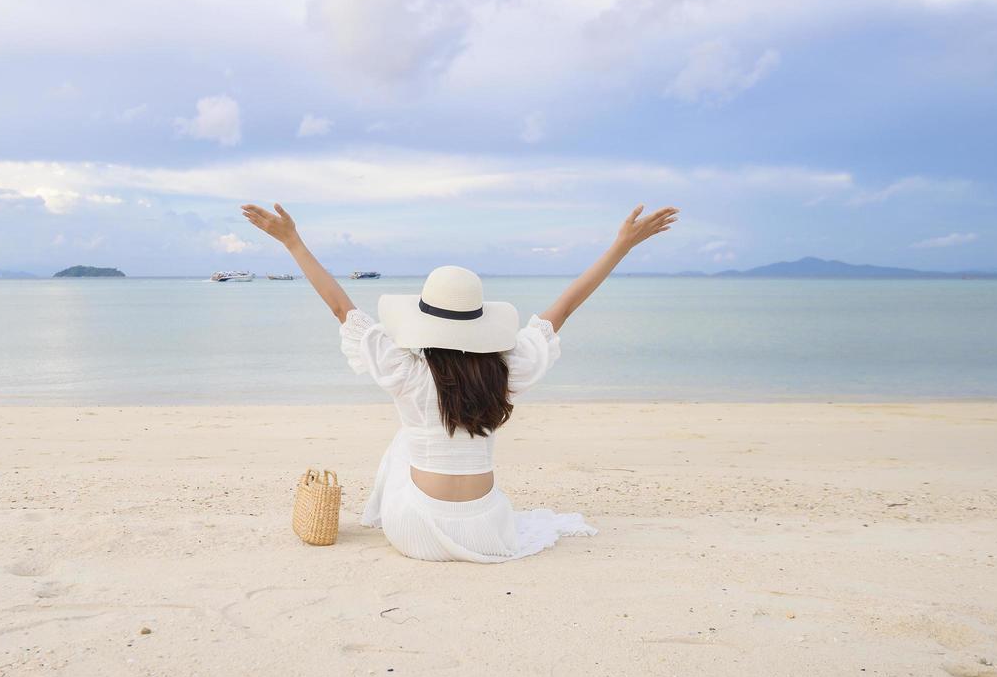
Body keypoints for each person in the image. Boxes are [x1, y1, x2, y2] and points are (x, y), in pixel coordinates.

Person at [241, 201, 678, 562]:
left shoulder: (407, 373)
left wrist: (292, 241)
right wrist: (622, 246)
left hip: (416, 530)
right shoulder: (505, 371)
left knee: (404, 440)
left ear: (423, 322)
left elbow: (342, 309)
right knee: (413, 438)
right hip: (488, 530)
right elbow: (563, 309)